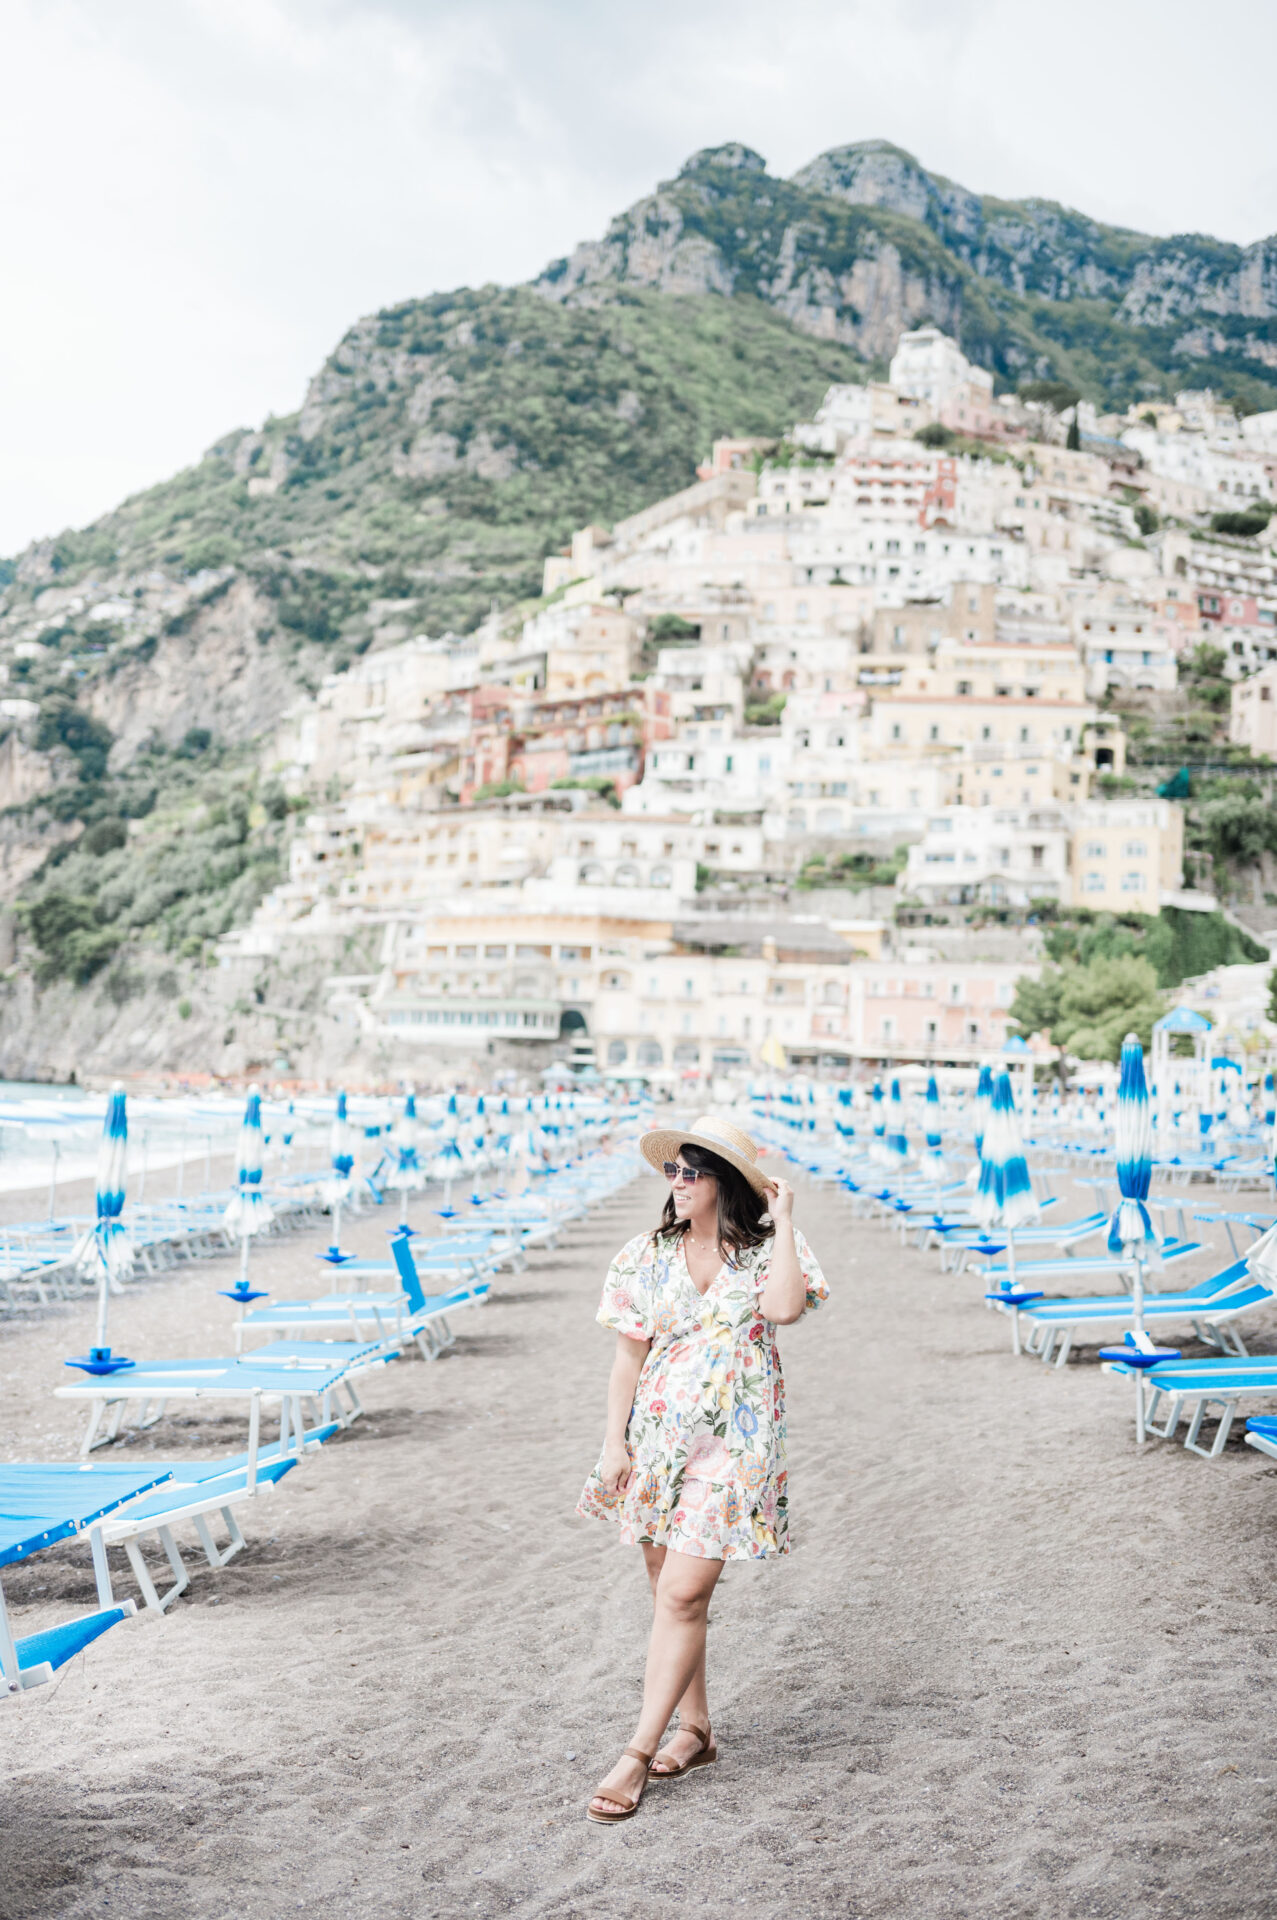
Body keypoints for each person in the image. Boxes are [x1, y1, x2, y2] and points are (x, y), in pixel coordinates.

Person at [577, 1113, 827, 1824]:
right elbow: (628, 1353)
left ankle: (634, 1753)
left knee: (683, 1594)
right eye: (673, 1171)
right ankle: (696, 1731)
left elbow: (784, 1310)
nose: (678, 1182)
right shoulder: (645, 1255)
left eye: (693, 1171)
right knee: (667, 1591)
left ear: (726, 1184)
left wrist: (781, 1218)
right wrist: (613, 1444)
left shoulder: (767, 1251)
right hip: (656, 1441)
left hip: (736, 1447)